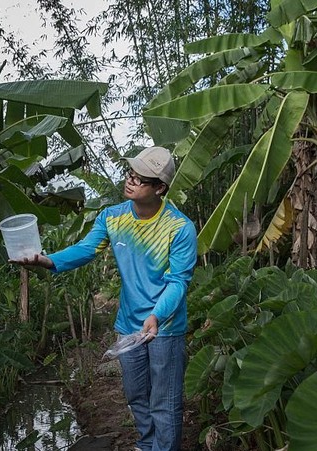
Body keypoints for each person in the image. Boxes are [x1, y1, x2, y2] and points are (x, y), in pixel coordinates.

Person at [13, 146, 198, 451]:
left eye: (141, 179)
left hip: (164, 327)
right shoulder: (112, 217)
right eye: (130, 174)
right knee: (136, 394)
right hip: (128, 326)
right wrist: (46, 260)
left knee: (164, 402)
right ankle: (146, 444)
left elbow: (178, 282)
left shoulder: (179, 228)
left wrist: (156, 316)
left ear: (160, 188)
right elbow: (86, 249)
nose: (131, 181)